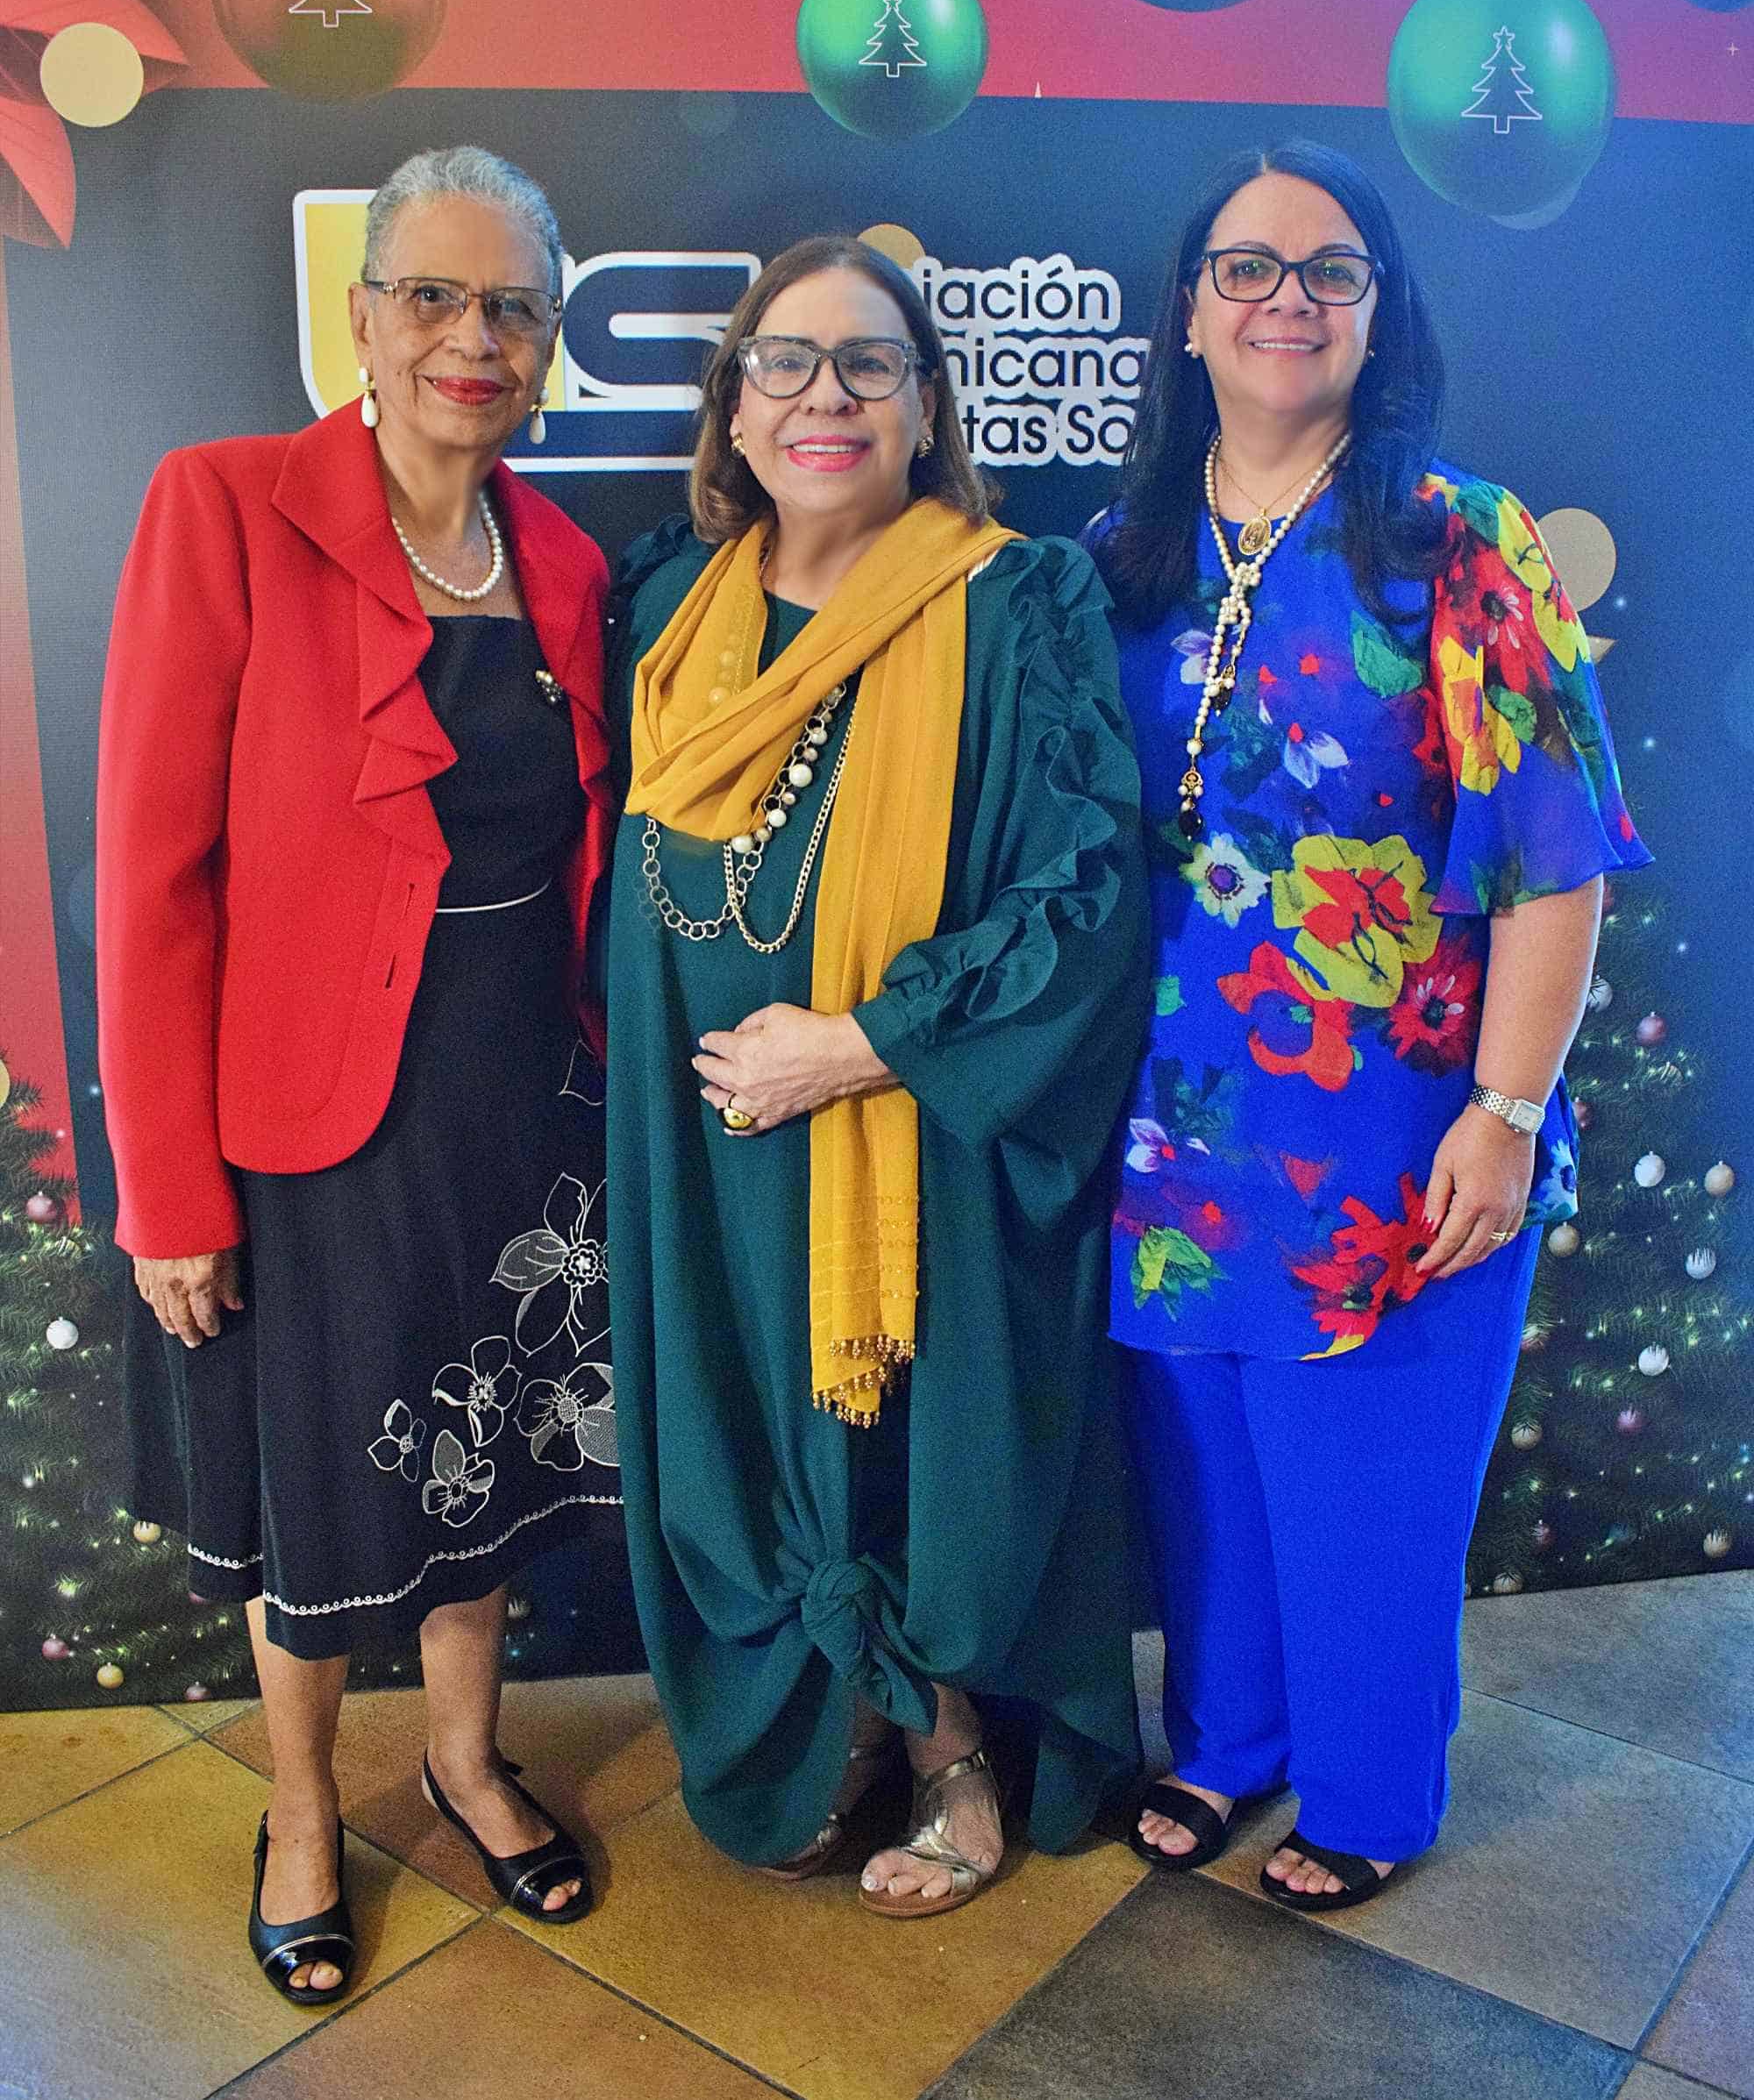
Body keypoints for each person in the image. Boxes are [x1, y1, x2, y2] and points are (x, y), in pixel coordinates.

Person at [1087, 142, 1649, 1911]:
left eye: (1329, 270)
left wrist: (1506, 1104)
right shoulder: (1117, 553)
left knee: (1365, 1482)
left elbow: (1558, 855)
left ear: (1376, 310)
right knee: (1199, 1466)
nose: (1284, 302)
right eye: (1245, 267)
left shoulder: (1453, 540)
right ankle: (1226, 1741)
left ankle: (1367, 1788)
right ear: (1187, 310)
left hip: (1404, 1121)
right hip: (1171, 1122)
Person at [98, 146, 615, 2000]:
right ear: (362, 316)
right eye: (434, 297)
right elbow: (151, 877)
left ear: (546, 341)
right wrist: (163, 1186)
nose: (471, 339)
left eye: (512, 307)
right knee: (326, 1487)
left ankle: (467, 1755)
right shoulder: (226, 507)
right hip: (309, 1127)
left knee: (480, 1465)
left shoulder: (558, 558)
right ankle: (303, 1804)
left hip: (517, 1116)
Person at [605, 236, 1149, 1916]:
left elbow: (1082, 883)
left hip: (915, 1131)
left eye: (868, 364)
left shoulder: (1016, 601)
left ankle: (955, 1751)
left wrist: (855, 1046)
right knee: (755, 1421)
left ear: (926, 404)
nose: (823, 395)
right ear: (735, 406)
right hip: (711, 1142)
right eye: (786, 361)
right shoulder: (670, 607)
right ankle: (829, 1711)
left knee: (915, 1422)